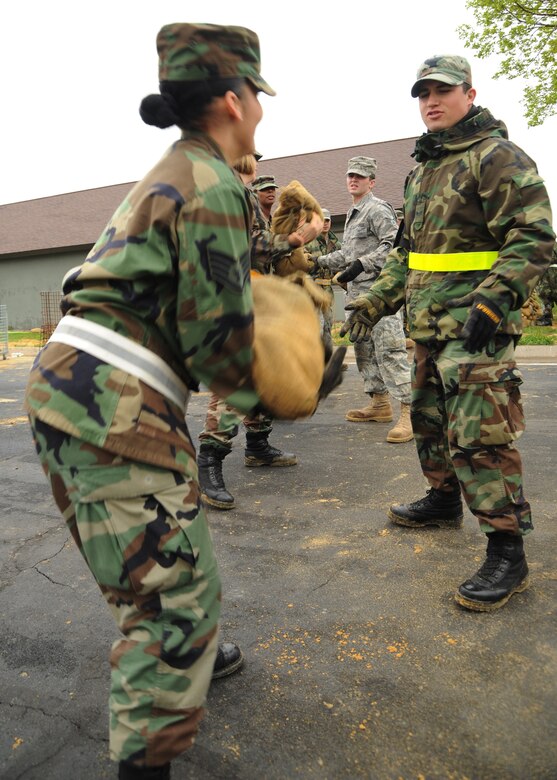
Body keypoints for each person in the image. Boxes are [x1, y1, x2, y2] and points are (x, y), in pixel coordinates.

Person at [24, 22, 278, 780]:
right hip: (113, 402)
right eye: (256, 98)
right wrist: (298, 383)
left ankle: (189, 647)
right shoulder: (212, 181)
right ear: (232, 100)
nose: (260, 112)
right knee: (172, 608)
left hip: (81, 389)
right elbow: (218, 346)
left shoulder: (174, 168)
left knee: (154, 568)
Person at [340, 55, 555, 612]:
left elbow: (534, 237)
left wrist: (497, 294)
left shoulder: (497, 156)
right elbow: (407, 255)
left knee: (480, 434)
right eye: (423, 93)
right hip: (429, 325)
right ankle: (442, 499)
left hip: (477, 326)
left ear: (469, 93)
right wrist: (372, 301)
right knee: (430, 422)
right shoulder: (424, 170)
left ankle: (508, 550)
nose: (431, 101)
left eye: (442, 90)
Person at [197, 163, 323, 510]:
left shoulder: (240, 194)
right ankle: (209, 462)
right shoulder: (227, 192)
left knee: (265, 368)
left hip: (252, 294)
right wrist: (296, 239)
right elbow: (247, 245)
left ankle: (258, 445)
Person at [315, 157, 414, 443]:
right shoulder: (353, 213)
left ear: (372, 181)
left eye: (360, 176)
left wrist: (362, 264)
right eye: (350, 175)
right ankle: (379, 403)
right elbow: (345, 255)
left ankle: (408, 413)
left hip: (380, 295)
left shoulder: (377, 208)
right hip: (356, 296)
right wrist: (315, 262)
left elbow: (393, 247)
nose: (353, 180)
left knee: (390, 350)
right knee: (364, 349)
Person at [306, 208, 342, 358]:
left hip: (328, 290)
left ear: (330, 222)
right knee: (315, 326)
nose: (325, 224)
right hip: (312, 289)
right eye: (322, 220)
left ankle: (327, 359)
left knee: (328, 325)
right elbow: (304, 264)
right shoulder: (309, 241)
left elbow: (340, 264)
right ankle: (314, 361)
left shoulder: (335, 243)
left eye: (327, 220)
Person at [534, 247, 557, 325]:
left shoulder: (553, 244)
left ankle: (547, 317)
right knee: (544, 293)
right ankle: (547, 317)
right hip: (545, 271)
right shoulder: (539, 244)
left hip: (553, 271)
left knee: (552, 292)